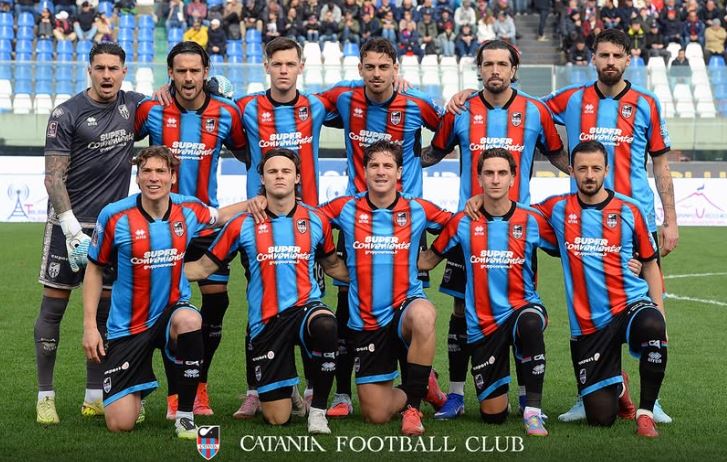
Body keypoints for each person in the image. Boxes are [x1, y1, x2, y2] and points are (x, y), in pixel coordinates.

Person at [424, 39, 566, 420]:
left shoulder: (535, 111)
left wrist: (597, 183)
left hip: (517, 231)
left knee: (520, 307)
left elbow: (557, 154)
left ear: (514, 70)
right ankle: (456, 394)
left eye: (502, 64)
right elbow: (434, 152)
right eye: (488, 64)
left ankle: (525, 397)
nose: (495, 71)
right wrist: (393, 160)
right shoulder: (461, 110)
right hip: (468, 227)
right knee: (460, 308)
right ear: (479, 69)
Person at [544, 28, 676, 424]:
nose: (610, 62)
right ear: (593, 59)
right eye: (603, 55)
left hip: (636, 223)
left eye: (617, 56)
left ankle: (653, 399)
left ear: (628, 59)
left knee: (651, 310)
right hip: (585, 224)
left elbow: (661, 165)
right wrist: (566, 164)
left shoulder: (647, 103)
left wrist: (670, 220)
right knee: (588, 305)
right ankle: (593, 390)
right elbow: (530, 113)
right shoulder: (571, 99)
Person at [82, 146, 249, 439]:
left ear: (172, 177)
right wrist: (90, 327)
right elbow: (94, 269)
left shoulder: (189, 209)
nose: (153, 178)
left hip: (172, 313)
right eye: (146, 171)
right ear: (137, 177)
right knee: (120, 423)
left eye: (161, 171)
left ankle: (184, 415)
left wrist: (257, 201)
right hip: (128, 325)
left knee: (191, 320)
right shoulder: (115, 216)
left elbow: (220, 216)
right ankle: (136, 389)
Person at [320, 39, 444, 418]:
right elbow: (300, 103)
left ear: (396, 70)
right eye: (370, 67)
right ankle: (343, 395)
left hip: (406, 222)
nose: (376, 74)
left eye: (384, 67)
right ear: (360, 69)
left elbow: (449, 129)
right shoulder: (345, 98)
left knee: (410, 306)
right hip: (356, 221)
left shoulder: (416, 103)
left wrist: (424, 156)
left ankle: (415, 393)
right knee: (347, 303)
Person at [185, 148, 349, 434]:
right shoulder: (241, 224)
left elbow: (333, 265)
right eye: (272, 171)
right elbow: (202, 268)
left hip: (305, 308)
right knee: (276, 418)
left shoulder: (316, 219)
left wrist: (375, 275)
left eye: (286, 171)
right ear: (262, 178)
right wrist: (153, 268)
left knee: (326, 324)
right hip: (266, 321)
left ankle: (318, 412)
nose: (279, 176)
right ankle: (289, 391)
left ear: (297, 177)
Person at [134, 41, 247, 420]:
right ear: (170, 73)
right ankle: (173, 395)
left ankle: (198, 386)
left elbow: (249, 151)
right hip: (162, 227)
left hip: (206, 223)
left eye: (194, 71)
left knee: (217, 302)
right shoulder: (152, 110)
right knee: (170, 309)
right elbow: (119, 134)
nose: (187, 78)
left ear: (205, 73)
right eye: (180, 71)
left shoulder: (226, 113)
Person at [36, 42, 147, 425]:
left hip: (110, 230)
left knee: (103, 314)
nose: (106, 75)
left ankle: (94, 397)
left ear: (123, 71)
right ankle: (45, 397)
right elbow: (53, 177)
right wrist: (70, 229)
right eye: (100, 68)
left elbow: (172, 101)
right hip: (68, 227)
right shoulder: (66, 113)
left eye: (113, 68)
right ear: (89, 70)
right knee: (53, 308)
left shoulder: (133, 106)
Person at [534, 140, 668, 438]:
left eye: (596, 168)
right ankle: (618, 386)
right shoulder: (557, 208)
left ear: (607, 170)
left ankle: (646, 414)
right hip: (589, 323)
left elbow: (649, 264)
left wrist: (660, 313)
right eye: (582, 169)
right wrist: (479, 201)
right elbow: (515, 215)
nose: (590, 175)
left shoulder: (629, 210)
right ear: (571, 171)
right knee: (601, 418)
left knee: (652, 324)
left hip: (629, 304)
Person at [419, 148, 558, 436]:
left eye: (502, 173)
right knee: (493, 416)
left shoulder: (531, 220)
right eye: (489, 173)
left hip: (522, 307)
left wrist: (627, 262)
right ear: (480, 178)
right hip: (484, 324)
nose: (496, 179)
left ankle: (532, 411)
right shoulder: (463, 221)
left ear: (513, 178)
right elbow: (428, 260)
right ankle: (483, 397)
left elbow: (572, 250)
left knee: (530, 323)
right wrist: (380, 254)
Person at [317, 140, 451, 436]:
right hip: (367, 318)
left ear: (399, 172)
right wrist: (331, 263)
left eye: (388, 166)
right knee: (376, 415)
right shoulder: (345, 207)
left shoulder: (416, 208)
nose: (381, 171)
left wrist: (431, 257)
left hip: (405, 305)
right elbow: (308, 219)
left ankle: (413, 408)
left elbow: (456, 225)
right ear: (364, 171)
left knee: (424, 314)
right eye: (374, 165)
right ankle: (422, 386)